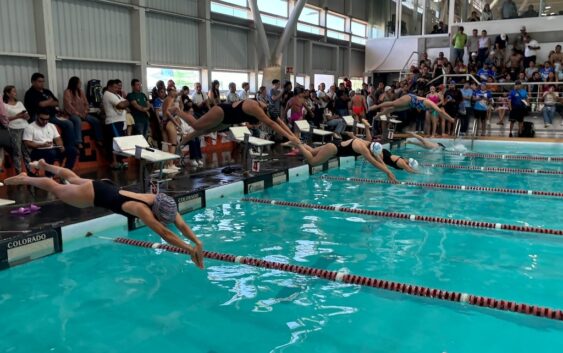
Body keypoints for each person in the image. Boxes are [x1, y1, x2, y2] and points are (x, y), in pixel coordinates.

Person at [3, 159, 204, 268]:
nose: (164, 222)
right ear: (157, 214)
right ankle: (26, 178)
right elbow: (166, 234)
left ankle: (45, 165)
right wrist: (189, 250)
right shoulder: (141, 209)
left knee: (72, 178)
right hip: (92, 195)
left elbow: (181, 225)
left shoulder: (161, 201)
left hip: (105, 186)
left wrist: (197, 243)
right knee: (55, 188)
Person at [292, 119, 399, 182]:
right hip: (333, 149)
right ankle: (298, 143)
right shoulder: (363, 148)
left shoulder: (367, 143)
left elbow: (378, 158)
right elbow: (374, 161)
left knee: (311, 151)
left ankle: (296, 143)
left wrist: (388, 172)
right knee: (312, 161)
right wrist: (388, 172)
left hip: (334, 144)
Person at [178, 98, 300, 145]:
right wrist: (290, 138)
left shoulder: (269, 109)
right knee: (196, 125)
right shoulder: (255, 106)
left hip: (228, 121)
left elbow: (280, 122)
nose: (267, 117)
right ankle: (176, 110)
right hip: (222, 112)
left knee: (205, 131)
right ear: (266, 111)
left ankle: (185, 139)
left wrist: (293, 136)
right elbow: (271, 124)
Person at [22, 110, 77, 174]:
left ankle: (65, 174)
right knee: (51, 153)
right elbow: (27, 143)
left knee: (72, 150)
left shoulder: (51, 125)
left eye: (47, 119)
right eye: (42, 119)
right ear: (37, 116)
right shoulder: (29, 127)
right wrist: (42, 145)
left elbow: (58, 139)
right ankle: (49, 176)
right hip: (37, 150)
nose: (45, 121)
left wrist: (60, 146)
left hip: (51, 148)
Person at [369, 93, 455, 127]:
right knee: (393, 104)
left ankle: (379, 115)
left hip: (410, 105)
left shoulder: (431, 108)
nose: (432, 112)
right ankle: (376, 106)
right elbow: (441, 112)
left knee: (393, 109)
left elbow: (439, 113)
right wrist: (450, 119)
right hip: (410, 99)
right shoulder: (431, 104)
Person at [3, 86, 31, 174]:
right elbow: (4, 119)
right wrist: (18, 116)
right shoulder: (4, 105)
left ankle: (30, 171)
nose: (15, 93)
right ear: (8, 94)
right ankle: (19, 172)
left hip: (25, 127)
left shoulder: (19, 103)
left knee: (27, 151)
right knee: (17, 152)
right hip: (14, 129)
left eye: (15, 91)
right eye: (13, 91)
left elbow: (27, 116)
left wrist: (26, 116)